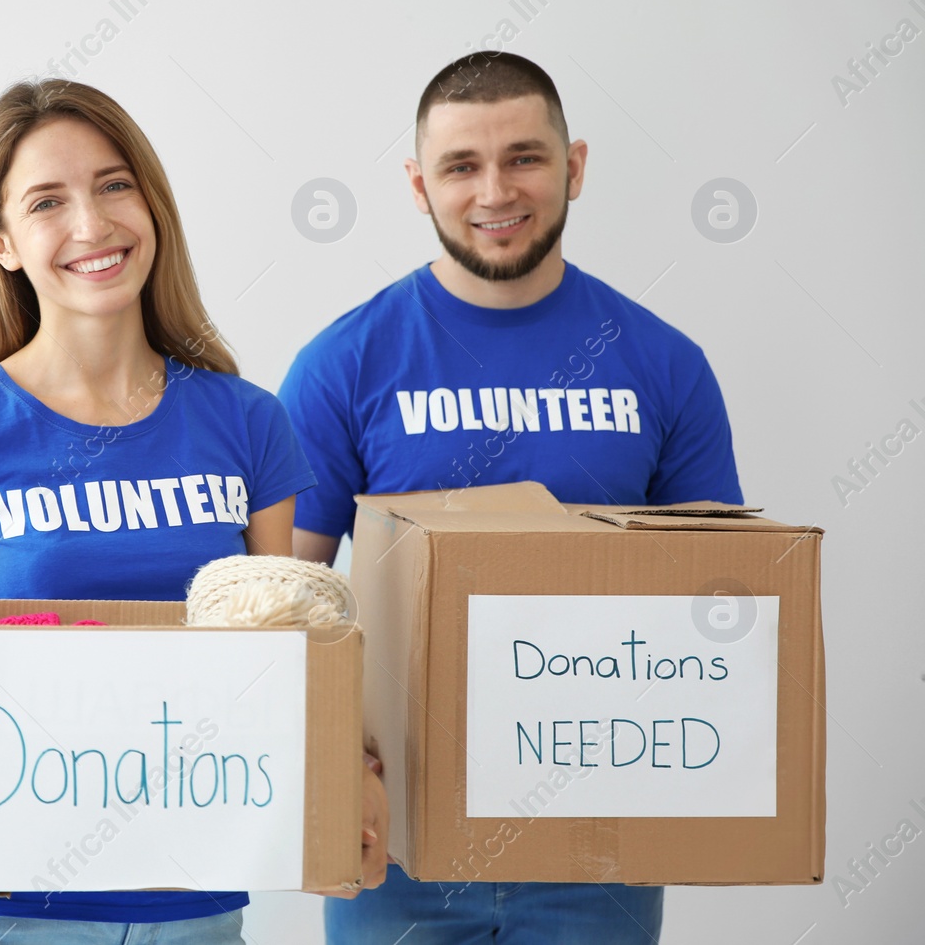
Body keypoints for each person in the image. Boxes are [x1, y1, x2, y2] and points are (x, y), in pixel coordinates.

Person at [0, 78, 387, 943]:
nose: (92, 225)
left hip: (193, 899)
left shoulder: (248, 423)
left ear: (153, 205)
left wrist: (357, 788)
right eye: (47, 201)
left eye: (114, 184)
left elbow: (288, 654)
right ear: (1, 241)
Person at [279, 51, 742, 945]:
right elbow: (282, 602)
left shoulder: (663, 363)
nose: (496, 189)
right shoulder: (344, 365)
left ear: (573, 166)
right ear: (419, 186)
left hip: (597, 846)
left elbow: (721, 598)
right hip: (398, 848)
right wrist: (334, 767)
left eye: (524, 157)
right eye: (461, 165)